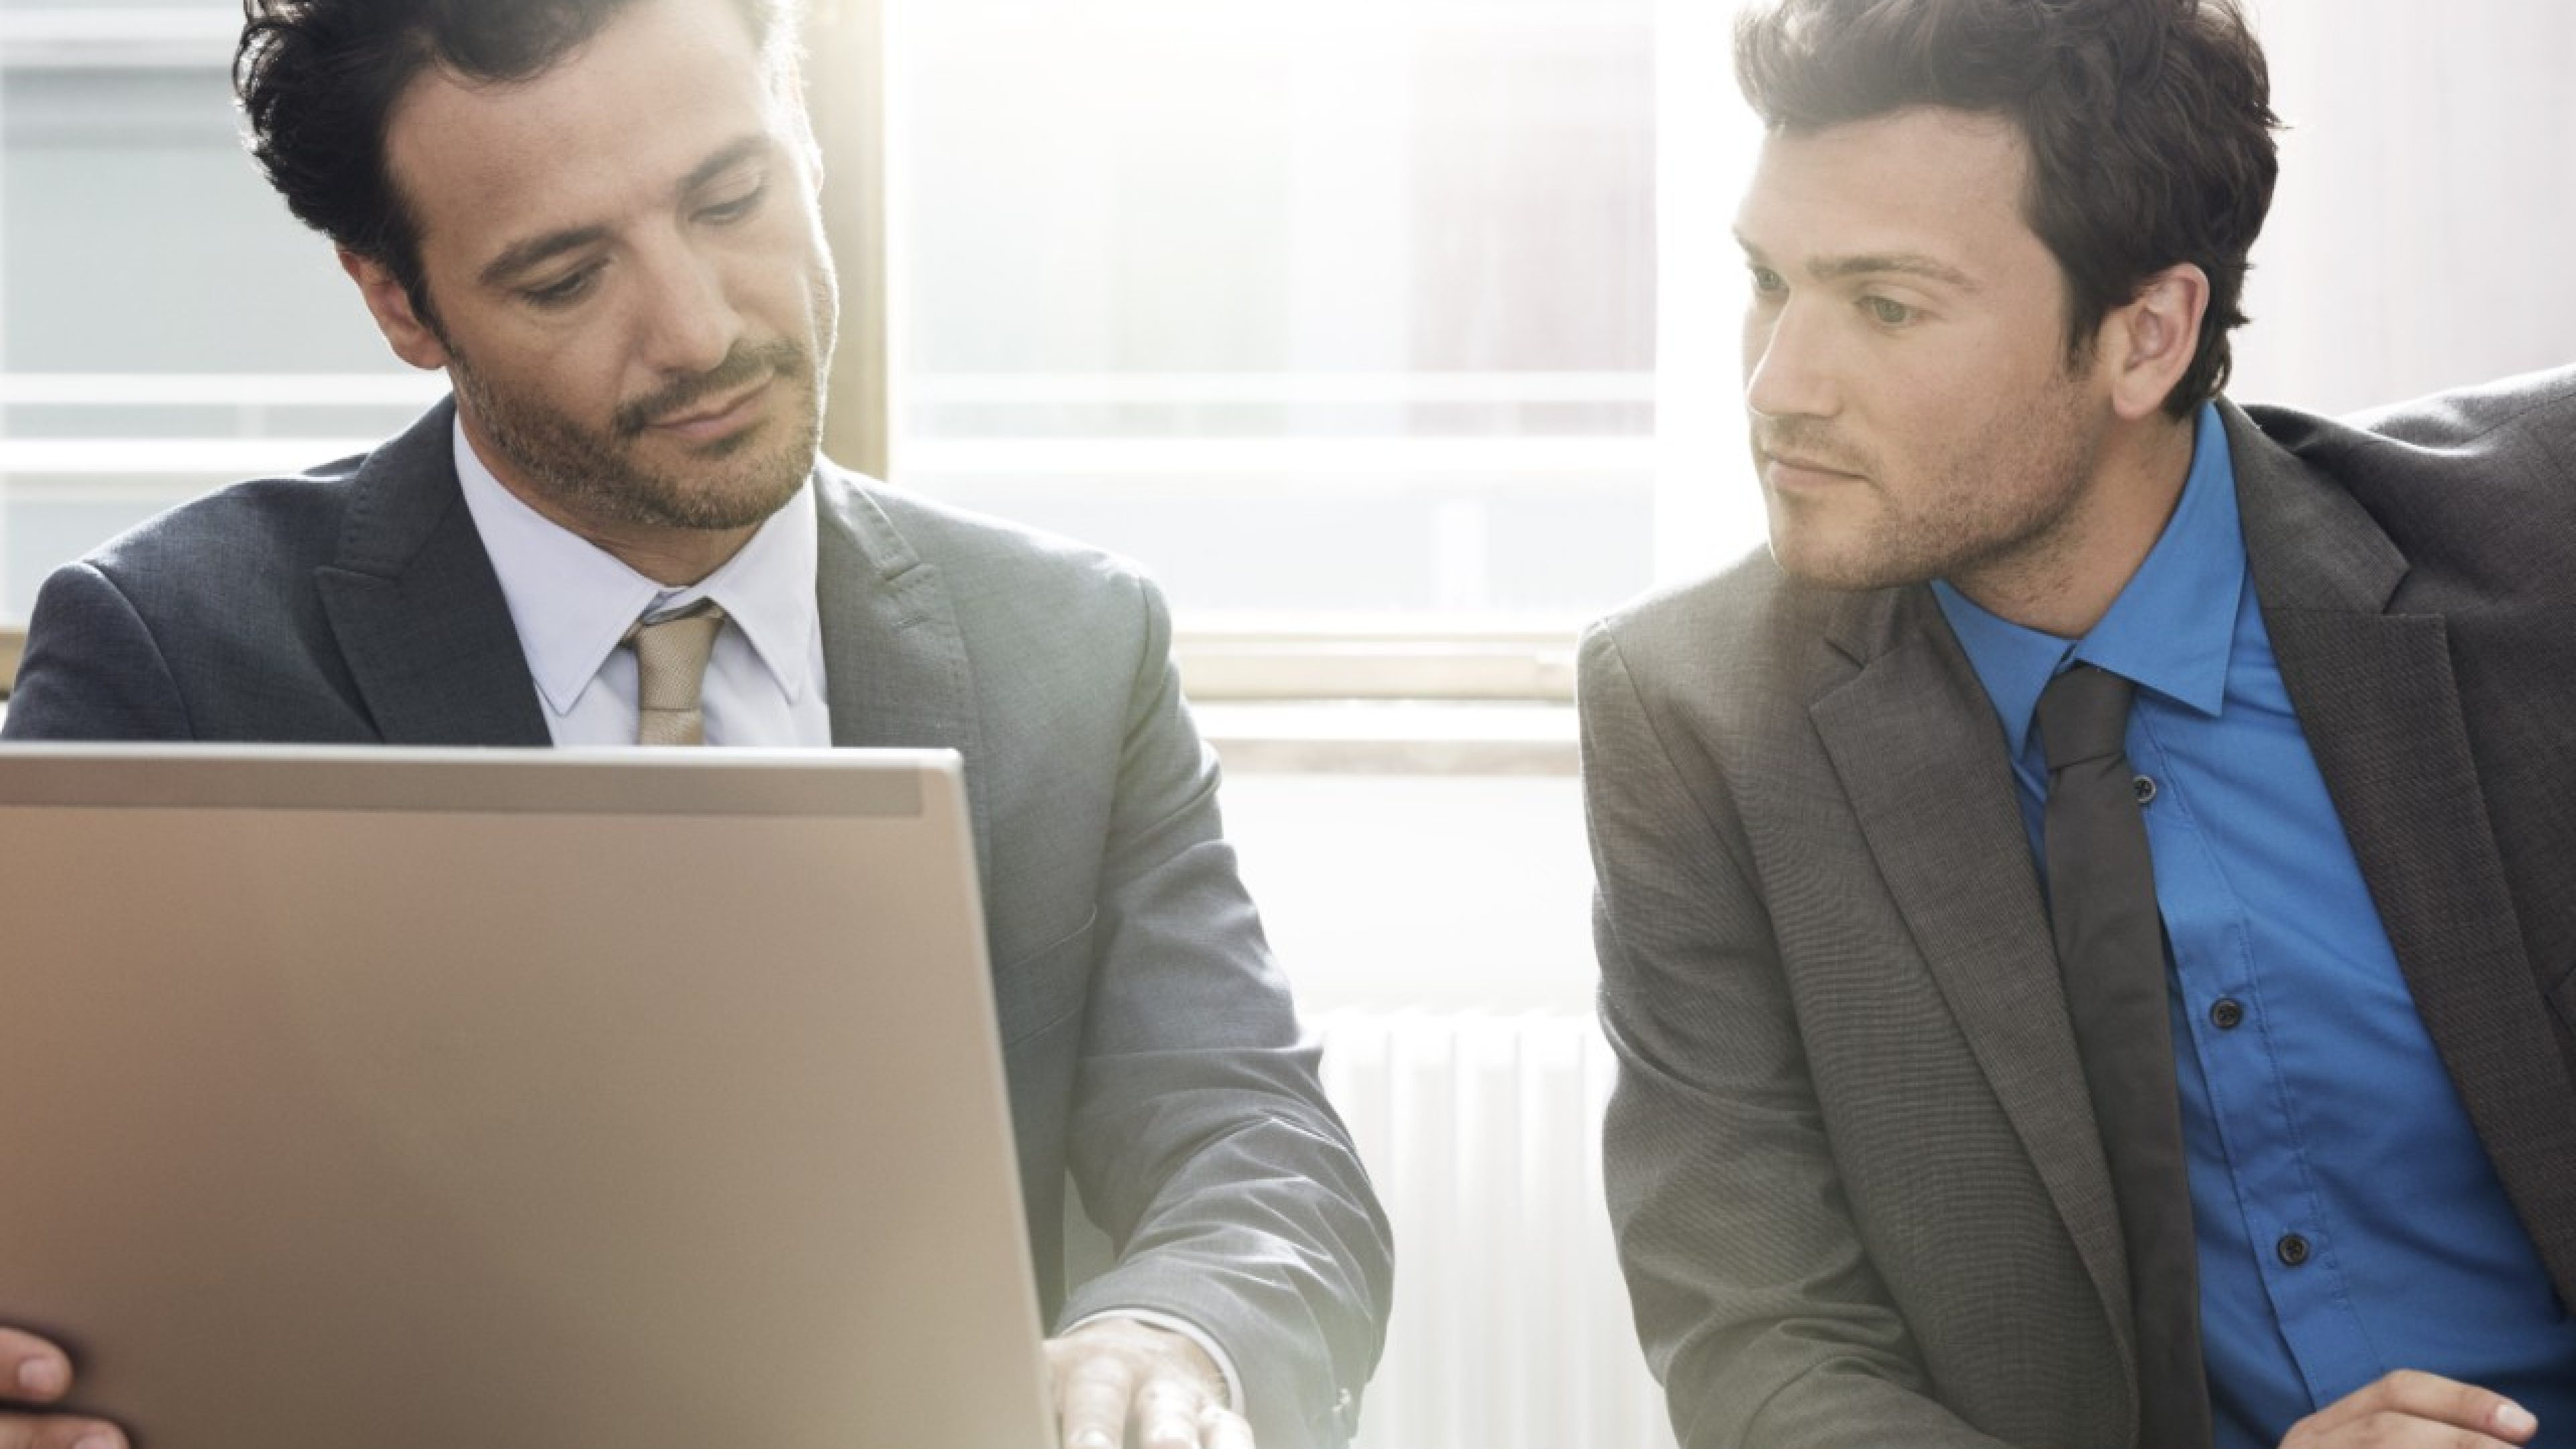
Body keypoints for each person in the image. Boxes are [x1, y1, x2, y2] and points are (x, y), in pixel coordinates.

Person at [0, 0, 1392, 1446]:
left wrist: (1170, 1342)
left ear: (800, 130)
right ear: (399, 302)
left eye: (732, 199)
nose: (702, 329)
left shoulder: (1074, 647)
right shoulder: (170, 657)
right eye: (564, 275)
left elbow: (1255, 1142)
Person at [1578, 1, 2576, 1446]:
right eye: (1766, 281)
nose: (1777, 385)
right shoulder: (1698, 715)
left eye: (1887, 305)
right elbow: (1769, 1351)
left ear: (2146, 336)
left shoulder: (2539, 534)